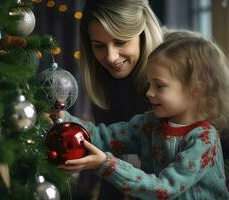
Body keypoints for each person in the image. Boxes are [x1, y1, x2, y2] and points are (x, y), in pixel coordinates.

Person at [56, 36, 229, 199]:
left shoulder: (205, 140)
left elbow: (165, 188)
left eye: (159, 86)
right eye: (149, 84)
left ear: (195, 90)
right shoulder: (148, 123)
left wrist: (105, 164)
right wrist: (64, 119)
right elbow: (104, 136)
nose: (149, 92)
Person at [76, 0, 163, 199]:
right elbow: (107, 152)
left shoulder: (178, 68)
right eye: (99, 46)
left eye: (121, 42)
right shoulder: (105, 80)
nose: (111, 57)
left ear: (142, 33)